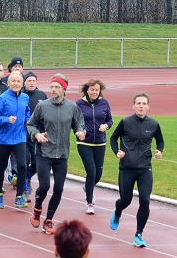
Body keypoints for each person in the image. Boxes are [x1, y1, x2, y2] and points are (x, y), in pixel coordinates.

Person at [27, 74, 85, 235]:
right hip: (44, 152)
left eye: (56, 87)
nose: (53, 90)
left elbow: (79, 123)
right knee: (44, 186)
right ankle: (37, 209)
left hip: (62, 154)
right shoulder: (42, 106)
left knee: (59, 188)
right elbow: (31, 124)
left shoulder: (72, 107)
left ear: (64, 89)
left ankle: (49, 219)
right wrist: (36, 135)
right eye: (51, 87)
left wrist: (80, 131)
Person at [109, 93, 164, 248]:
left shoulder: (153, 124)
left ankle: (138, 234)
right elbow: (113, 138)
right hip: (126, 167)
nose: (141, 106)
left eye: (144, 103)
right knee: (126, 200)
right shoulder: (125, 122)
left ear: (148, 106)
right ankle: (118, 211)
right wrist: (117, 152)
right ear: (133, 106)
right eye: (138, 103)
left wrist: (159, 150)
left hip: (145, 168)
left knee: (145, 199)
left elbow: (160, 140)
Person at [0, 71, 30, 209]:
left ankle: (19, 196)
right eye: (13, 81)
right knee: (1, 167)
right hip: (4, 139)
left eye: (18, 81)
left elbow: (27, 112)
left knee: (23, 165)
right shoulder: (2, 98)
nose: (16, 84)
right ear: (8, 83)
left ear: (22, 84)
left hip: (20, 138)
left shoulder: (25, 97)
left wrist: (29, 120)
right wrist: (7, 120)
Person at [76, 79, 113, 215]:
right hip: (84, 143)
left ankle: (88, 187)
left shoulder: (104, 103)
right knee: (91, 172)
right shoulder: (79, 104)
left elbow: (110, 120)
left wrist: (106, 126)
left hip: (100, 143)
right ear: (87, 90)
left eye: (96, 90)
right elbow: (75, 121)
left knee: (98, 174)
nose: (94, 92)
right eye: (92, 90)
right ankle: (89, 202)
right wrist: (79, 130)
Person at [22, 72, 48, 201]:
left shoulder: (42, 95)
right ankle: (24, 188)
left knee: (38, 164)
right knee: (24, 161)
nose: (31, 83)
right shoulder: (20, 95)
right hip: (22, 136)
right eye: (29, 81)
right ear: (24, 82)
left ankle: (27, 177)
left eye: (33, 81)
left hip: (37, 136)